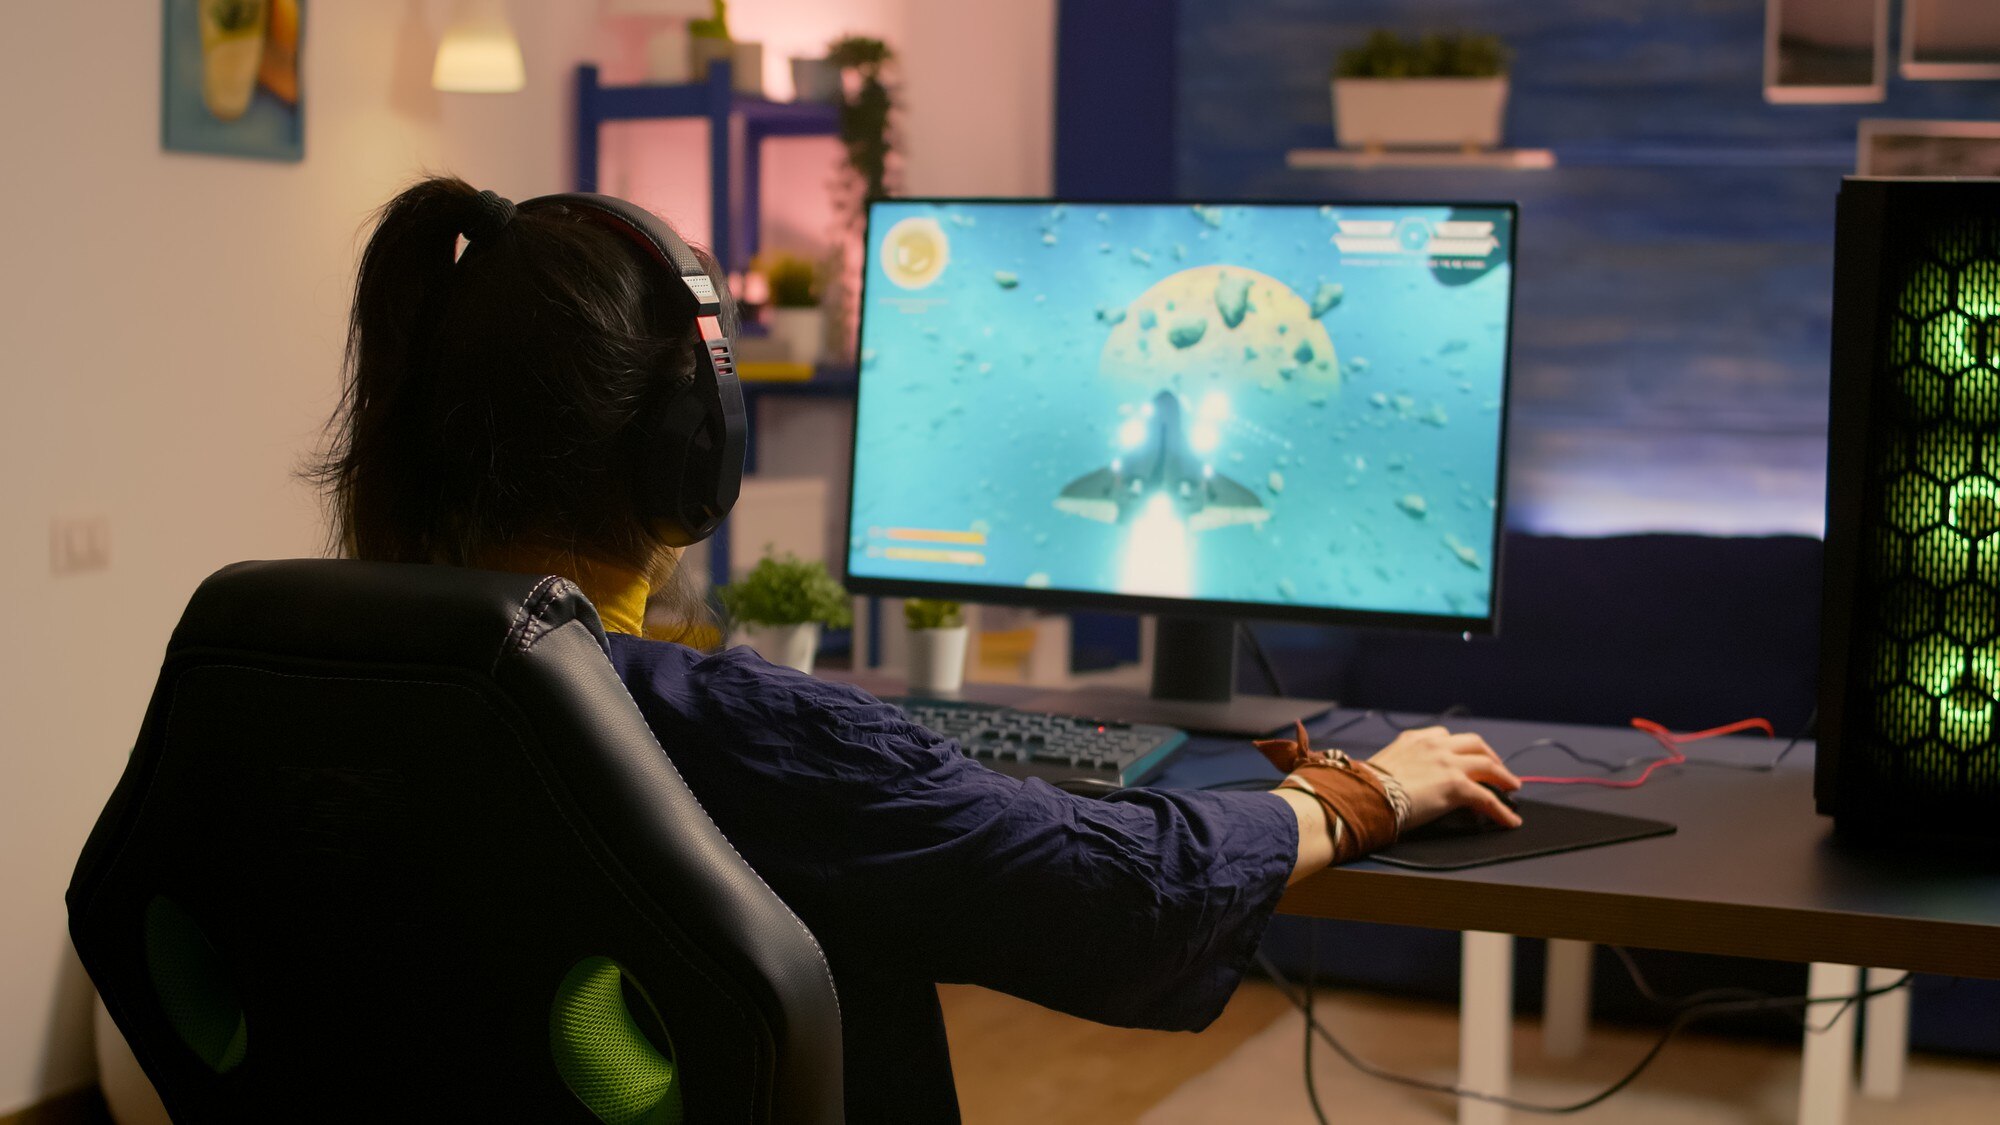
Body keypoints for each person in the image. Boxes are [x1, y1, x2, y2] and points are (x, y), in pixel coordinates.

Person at [313, 176, 1524, 1121]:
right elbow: (1122, 899)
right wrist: (1357, 794)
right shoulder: (744, 737)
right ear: (697, 451)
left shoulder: (298, 675)